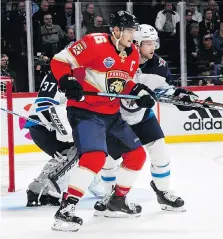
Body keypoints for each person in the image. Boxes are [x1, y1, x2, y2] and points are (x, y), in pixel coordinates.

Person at [50, 11, 156, 232]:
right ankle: (66, 209)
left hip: (111, 114)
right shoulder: (93, 42)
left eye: (133, 31)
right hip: (85, 111)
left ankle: (116, 201)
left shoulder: (133, 53)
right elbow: (60, 60)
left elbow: (123, 82)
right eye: (128, 31)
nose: (132, 35)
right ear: (116, 30)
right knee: (95, 156)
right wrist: (68, 79)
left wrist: (138, 90)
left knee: (137, 155)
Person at [93, 24, 199, 216]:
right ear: (136, 43)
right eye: (148, 43)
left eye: (154, 43)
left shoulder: (159, 66)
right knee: (108, 160)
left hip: (143, 117)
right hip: (116, 119)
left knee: (160, 151)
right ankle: (110, 197)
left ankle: (164, 192)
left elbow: (164, 91)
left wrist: (182, 97)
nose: (153, 48)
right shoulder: (117, 60)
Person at [25, 67, 105, 206]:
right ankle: (45, 192)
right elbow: (44, 105)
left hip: (51, 123)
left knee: (85, 152)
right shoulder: (58, 73)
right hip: (44, 124)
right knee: (78, 151)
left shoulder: (86, 74)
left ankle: (39, 189)